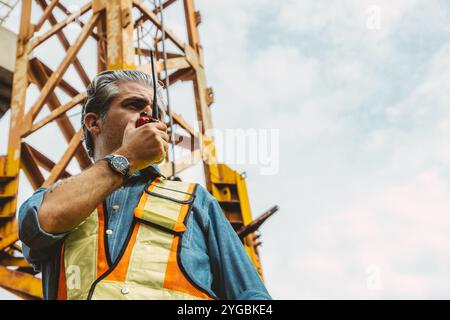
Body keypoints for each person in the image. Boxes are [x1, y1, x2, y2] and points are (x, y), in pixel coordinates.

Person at [18, 70, 271, 300]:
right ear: (94, 122)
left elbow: (253, 300)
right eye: (135, 105)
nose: (149, 114)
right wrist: (126, 158)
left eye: (155, 111)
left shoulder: (196, 201)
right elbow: (41, 224)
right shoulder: (54, 201)